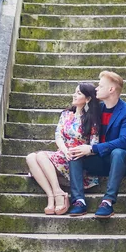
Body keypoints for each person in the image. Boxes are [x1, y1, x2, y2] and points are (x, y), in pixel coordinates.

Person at [68, 70, 126, 218]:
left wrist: (92, 148)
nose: (96, 88)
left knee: (118, 152)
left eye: (100, 86)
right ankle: (78, 200)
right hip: (100, 159)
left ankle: (108, 201)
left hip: (122, 161)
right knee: (76, 152)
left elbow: (125, 141)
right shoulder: (96, 109)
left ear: (111, 89)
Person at [26, 83, 101, 215]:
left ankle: (57, 195)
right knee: (30, 157)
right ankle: (54, 194)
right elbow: (58, 135)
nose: (74, 95)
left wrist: (80, 152)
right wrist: (65, 150)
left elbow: (94, 143)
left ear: (88, 99)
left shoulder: (92, 119)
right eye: (75, 92)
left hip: (76, 160)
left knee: (41, 156)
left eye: (78, 93)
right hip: (63, 154)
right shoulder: (66, 114)